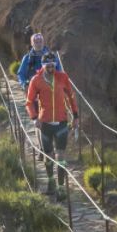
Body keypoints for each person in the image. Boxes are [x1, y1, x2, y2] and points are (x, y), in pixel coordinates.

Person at [24, 52, 78, 198]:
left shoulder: (62, 77)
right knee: (48, 156)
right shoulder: (36, 80)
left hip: (61, 122)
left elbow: (71, 96)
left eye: (53, 65)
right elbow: (29, 102)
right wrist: (34, 118)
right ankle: (51, 182)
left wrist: (75, 115)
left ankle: (61, 188)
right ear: (43, 66)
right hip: (45, 123)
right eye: (47, 65)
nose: (50, 67)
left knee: (60, 155)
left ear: (55, 65)